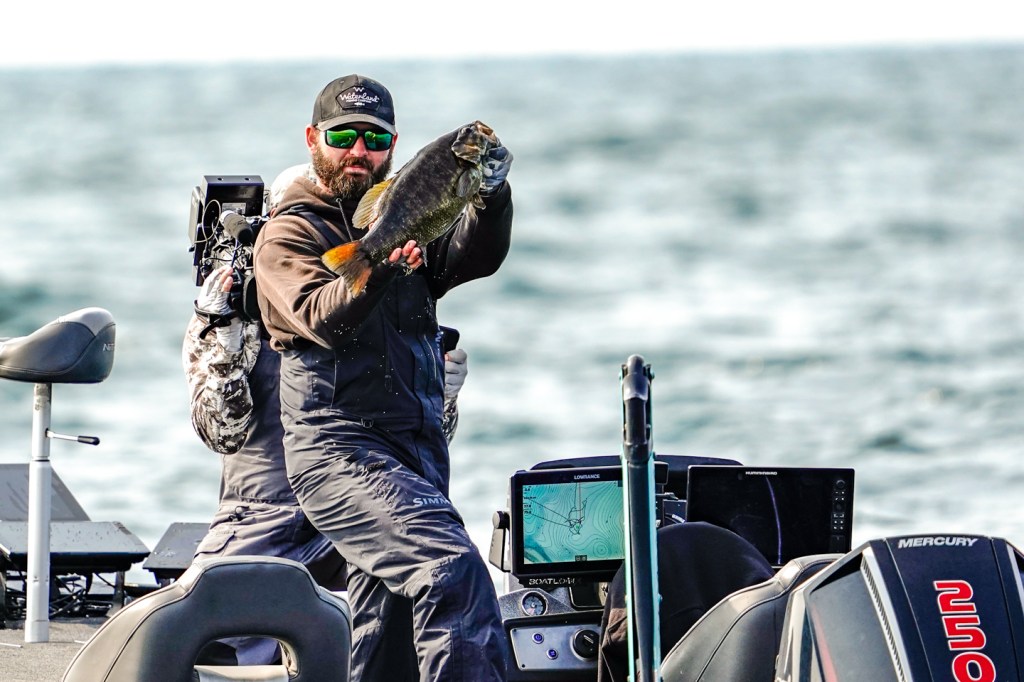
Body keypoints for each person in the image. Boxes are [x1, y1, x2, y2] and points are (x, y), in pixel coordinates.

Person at [253, 74, 513, 681]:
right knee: (450, 568)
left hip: (417, 453)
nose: (358, 150)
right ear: (313, 139)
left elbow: (478, 256)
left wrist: (492, 196)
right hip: (337, 454)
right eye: (343, 135)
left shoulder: (408, 215)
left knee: (385, 632)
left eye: (374, 139)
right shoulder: (288, 234)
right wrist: (382, 271)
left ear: (392, 146)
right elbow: (321, 318)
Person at [182, 162, 471, 669]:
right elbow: (222, 432)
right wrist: (218, 336)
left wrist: (442, 392)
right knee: (210, 641)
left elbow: (423, 440)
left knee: (426, 605)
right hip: (266, 519)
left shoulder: (375, 293)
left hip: (362, 507)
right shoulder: (236, 313)